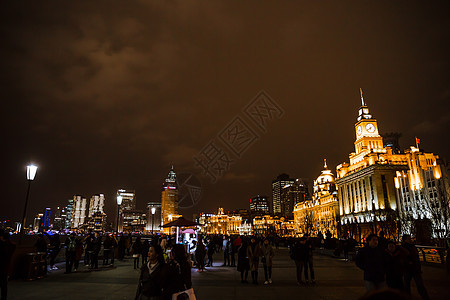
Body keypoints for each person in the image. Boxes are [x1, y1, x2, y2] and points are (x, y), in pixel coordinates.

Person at [401, 234, 429, 300]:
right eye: (409, 239)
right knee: (413, 285)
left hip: (413, 269)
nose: (410, 240)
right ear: (405, 240)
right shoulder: (405, 248)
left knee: (414, 285)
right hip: (409, 269)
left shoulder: (410, 246)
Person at [0, 229, 16, 300]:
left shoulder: (3, 245)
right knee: (4, 285)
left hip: (2, 266)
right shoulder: (11, 245)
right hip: (5, 267)